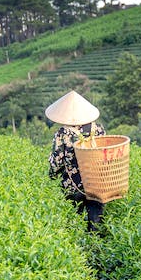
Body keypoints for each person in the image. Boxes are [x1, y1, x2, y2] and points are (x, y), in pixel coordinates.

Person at [46, 90, 106, 233]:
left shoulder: (63, 133)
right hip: (96, 181)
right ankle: (97, 247)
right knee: (96, 217)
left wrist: (52, 175)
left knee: (74, 218)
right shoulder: (98, 129)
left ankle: (78, 247)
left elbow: (57, 160)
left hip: (73, 184)